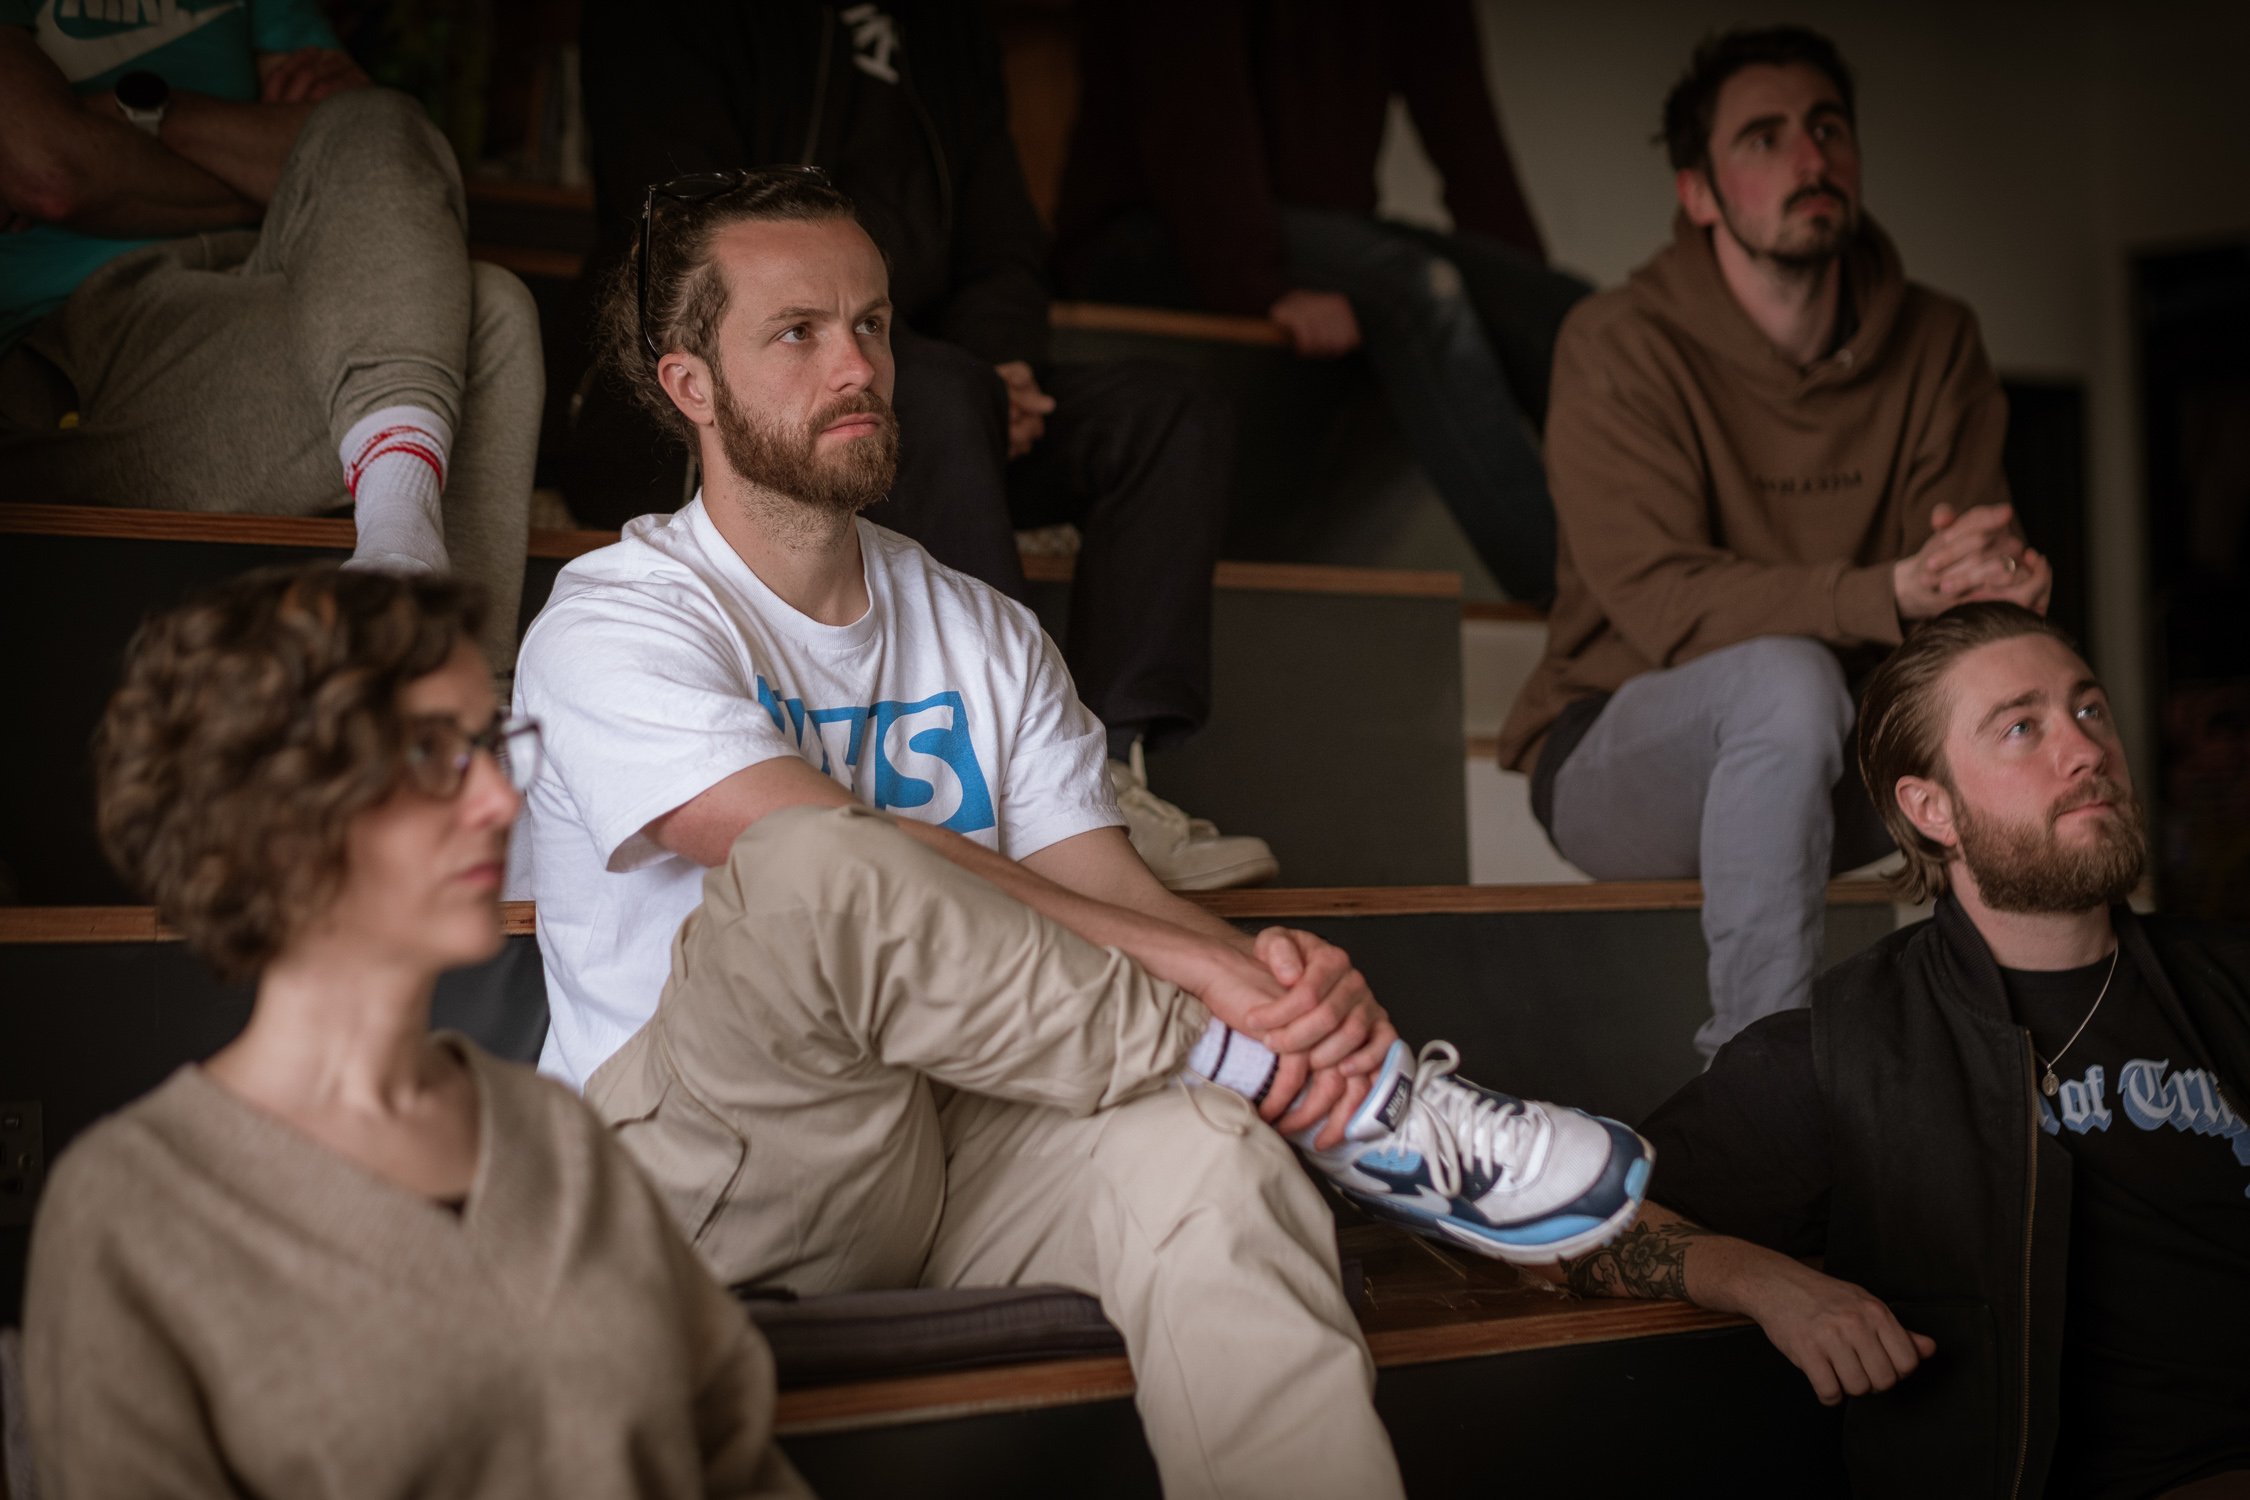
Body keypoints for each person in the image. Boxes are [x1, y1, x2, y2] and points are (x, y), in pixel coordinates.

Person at [514, 167, 1653, 1500]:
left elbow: (1107, 886)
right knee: (825, 863)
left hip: (950, 1152)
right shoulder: (614, 618)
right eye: (798, 332)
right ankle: (1302, 1090)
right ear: (690, 384)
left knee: (1209, 1157)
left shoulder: (979, 631)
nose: (857, 365)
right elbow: (819, 868)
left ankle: (1301, 1095)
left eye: (873, 324)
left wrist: (1280, 993)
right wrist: (1223, 1012)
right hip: (708, 1175)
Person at [23, 565, 805, 1497]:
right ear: (276, 811)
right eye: (434, 755)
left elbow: (735, 1455)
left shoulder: (555, 1134)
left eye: (491, 746)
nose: (500, 802)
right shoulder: (130, 1216)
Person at [1555, 603, 2250, 1500]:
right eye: (2020, 728)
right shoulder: (1843, 1055)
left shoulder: (2231, 987)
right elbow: (1569, 1222)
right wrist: (1764, 1281)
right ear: (1932, 810)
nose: (2084, 751)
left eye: (2088, 710)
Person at [570, 0, 1269, 890]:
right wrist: (907, 356)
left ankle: (1115, 770)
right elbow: (682, 237)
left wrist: (1003, 363)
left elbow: (1005, 241)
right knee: (927, 387)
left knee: (1172, 409)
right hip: (746, 395)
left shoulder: (947, 28)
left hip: (925, 368)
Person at [1498, 25, 2056, 1057]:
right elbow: (1665, 602)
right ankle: (1759, 1079)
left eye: (1827, 129)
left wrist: (1995, 593)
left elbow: (1949, 597)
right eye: (1763, 139)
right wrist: (1892, 590)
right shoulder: (1617, 343)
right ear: (1698, 192)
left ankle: (2043, 1062)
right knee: (1786, 683)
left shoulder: (1938, 339)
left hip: (1851, 754)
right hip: (1616, 758)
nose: (1810, 160)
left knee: (2030, 695)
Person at [0, 4, 537, 671]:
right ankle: (463, 693)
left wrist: (144, 115)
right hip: (75, 365)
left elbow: (369, 152)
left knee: (379, 122)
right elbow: (51, 172)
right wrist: (276, 169)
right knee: (488, 315)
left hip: (264, 300)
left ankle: (404, 559)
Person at [1052, 0, 1589, 605]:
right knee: (1421, 290)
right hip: (1153, 229)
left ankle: (1656, 565)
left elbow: (1463, 125)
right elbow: (1195, 116)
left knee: (1571, 314)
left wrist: (1518, 297)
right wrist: (1258, 285)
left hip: (1316, 231)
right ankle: (1581, 607)